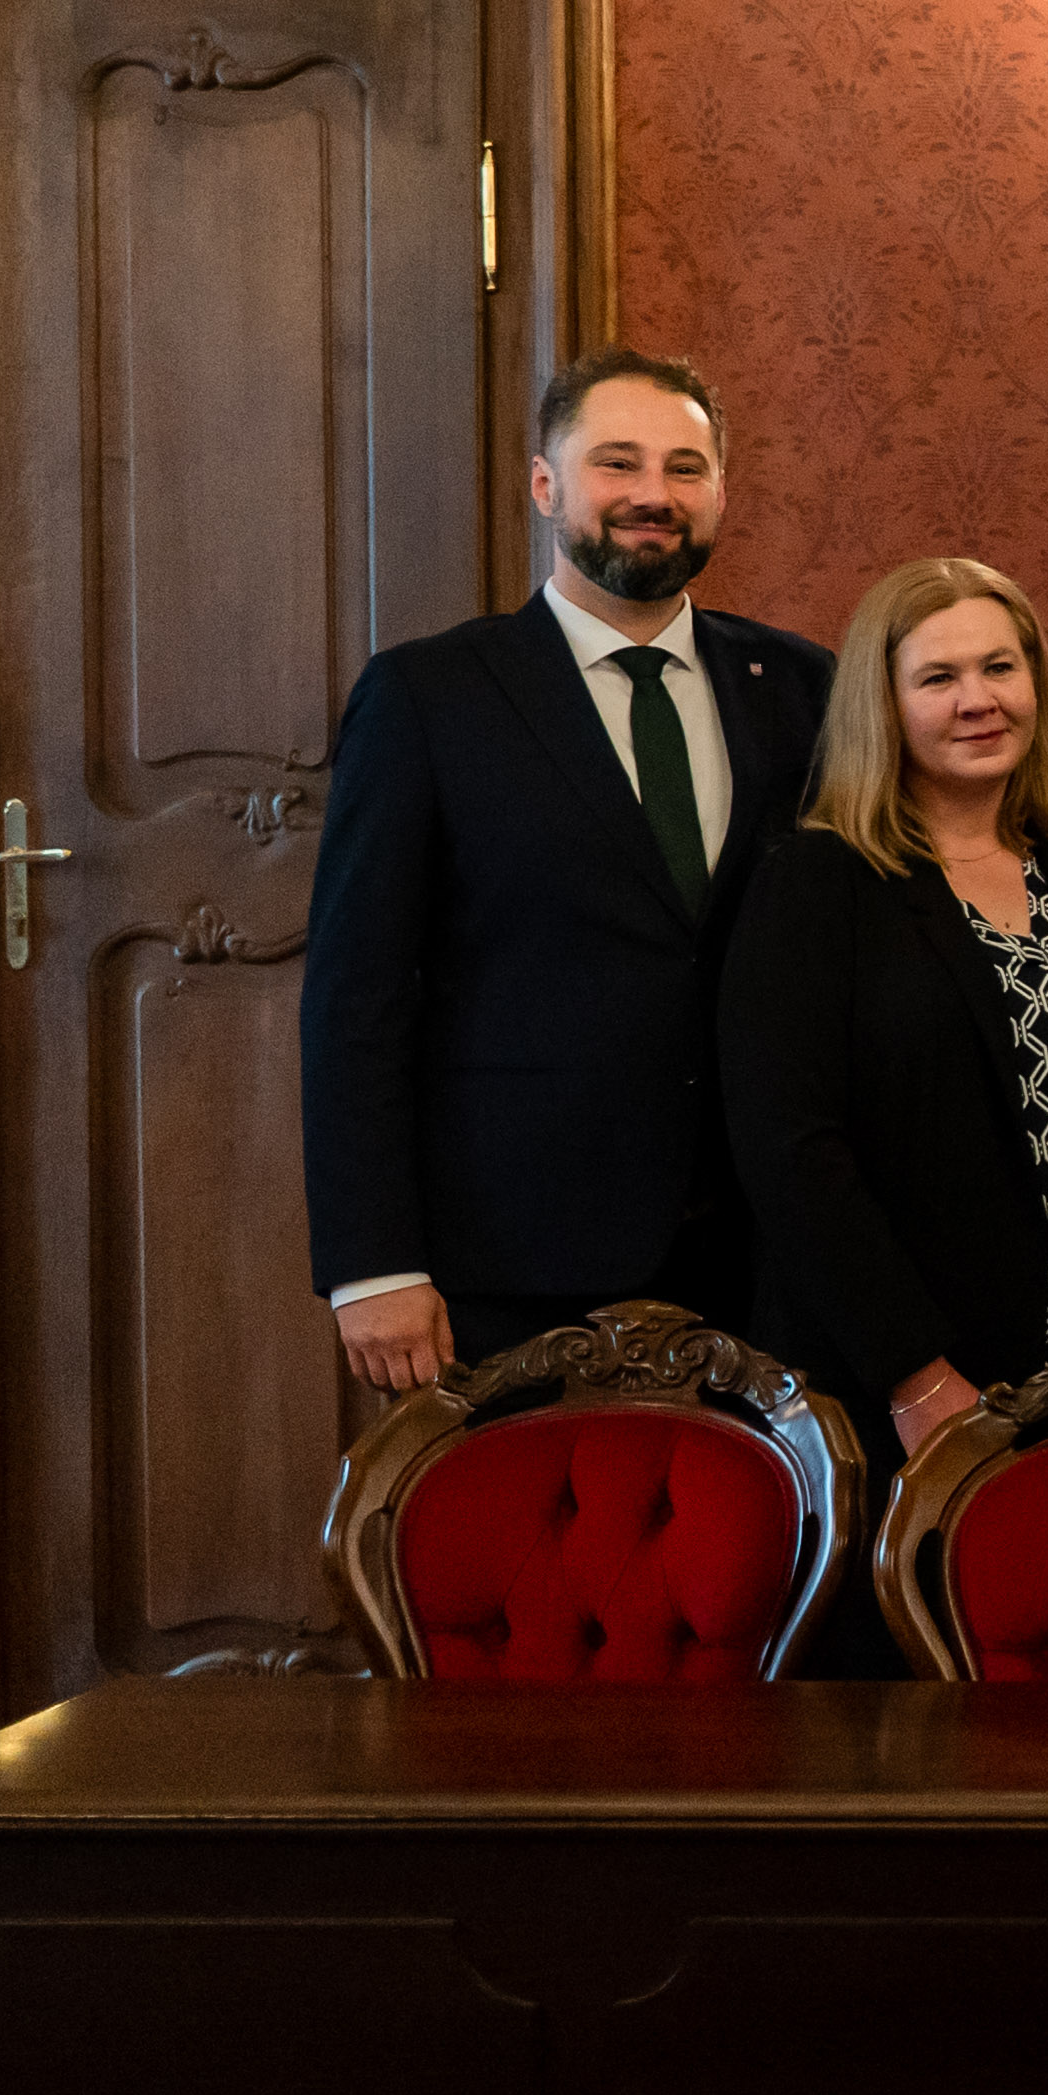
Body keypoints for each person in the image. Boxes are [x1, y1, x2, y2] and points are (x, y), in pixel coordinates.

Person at [305, 350, 836, 1383]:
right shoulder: (429, 697)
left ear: (721, 494)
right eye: (617, 462)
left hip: (762, 1251)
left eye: (685, 468)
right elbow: (355, 995)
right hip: (516, 1255)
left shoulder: (801, 686)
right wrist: (372, 1263)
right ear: (546, 485)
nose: (653, 494)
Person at [725, 559, 1048, 1480]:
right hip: (896, 1397)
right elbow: (792, 1152)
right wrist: (915, 1377)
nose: (978, 700)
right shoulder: (816, 884)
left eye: (1001, 667)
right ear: (882, 705)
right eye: (938, 677)